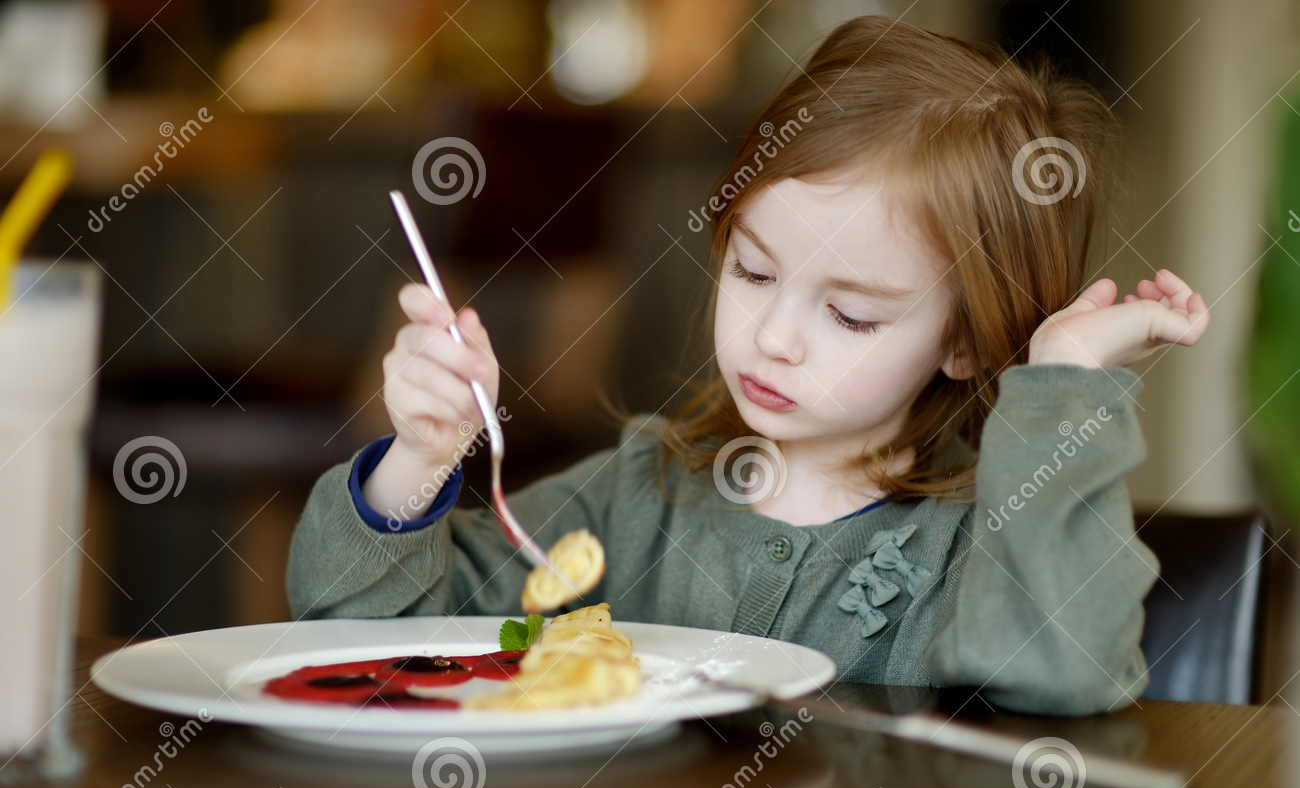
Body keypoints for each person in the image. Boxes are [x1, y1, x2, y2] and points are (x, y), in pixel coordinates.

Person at [287, 17, 1209, 716]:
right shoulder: (635, 497)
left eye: (849, 314)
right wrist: (420, 456)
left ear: (964, 342)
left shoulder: (976, 546)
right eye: (754, 270)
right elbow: (371, 637)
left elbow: (1063, 671)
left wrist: (1062, 381)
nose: (775, 336)